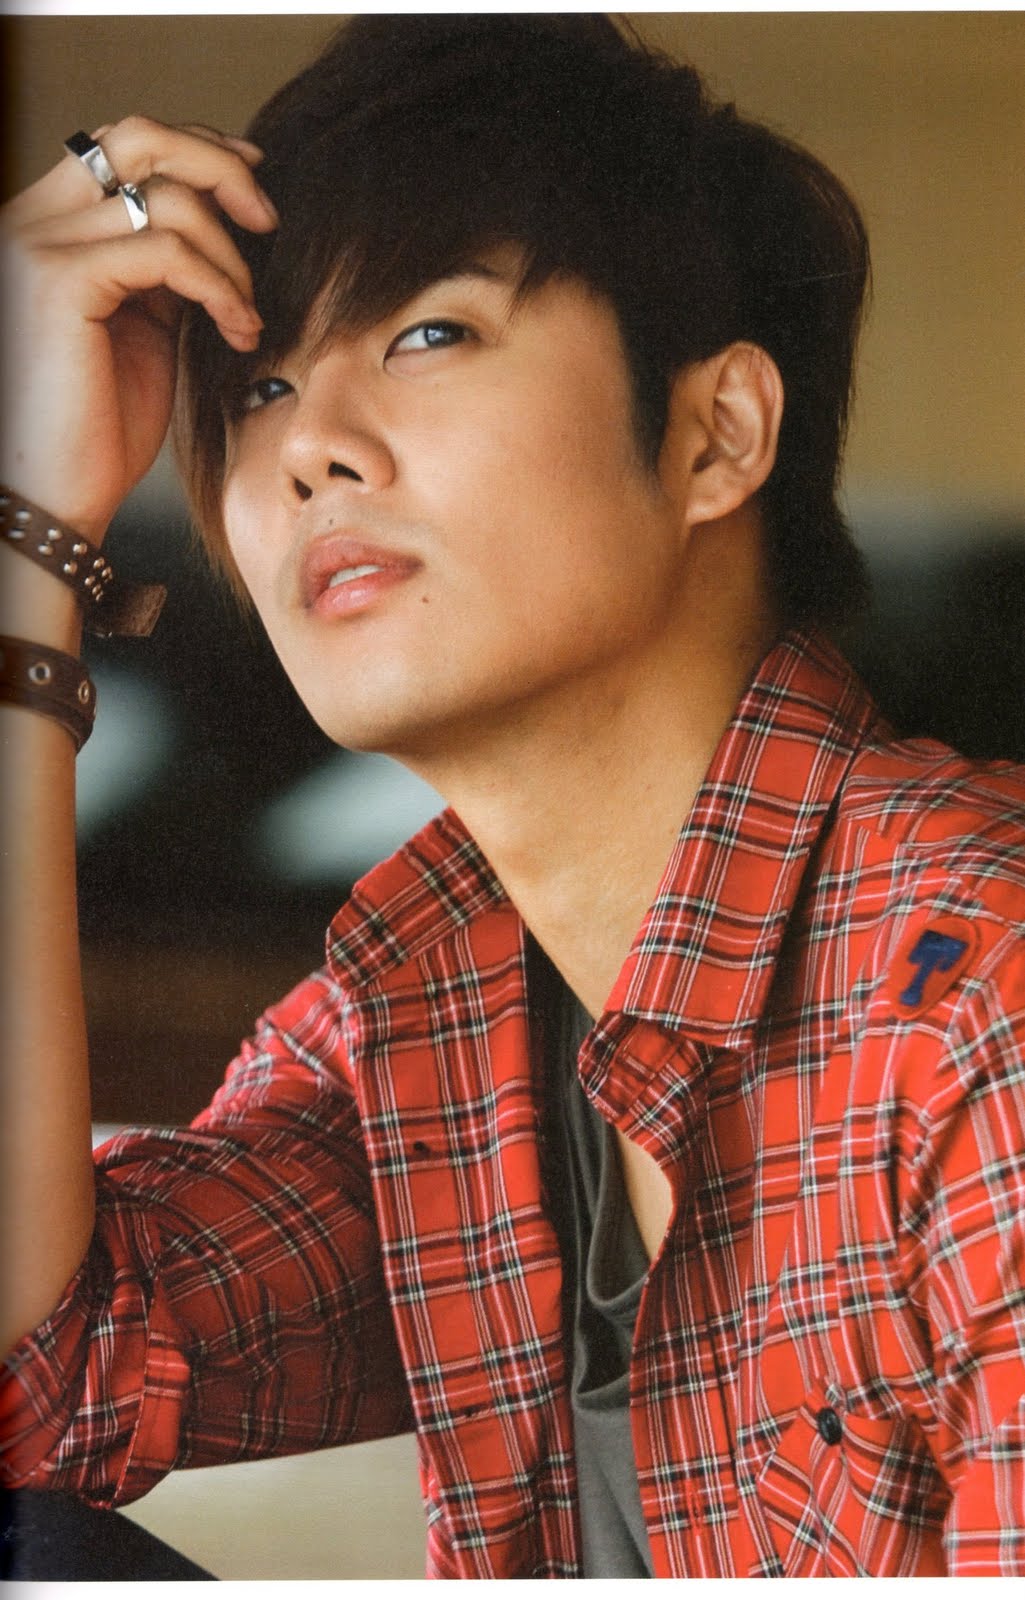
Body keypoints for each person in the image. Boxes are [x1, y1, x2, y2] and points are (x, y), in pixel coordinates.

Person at [1, 14, 1023, 1580]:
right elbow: (42, 1376)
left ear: (714, 434)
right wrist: (25, 542)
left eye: (428, 334)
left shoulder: (973, 985)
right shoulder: (428, 1015)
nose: (310, 449)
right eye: (259, 385)